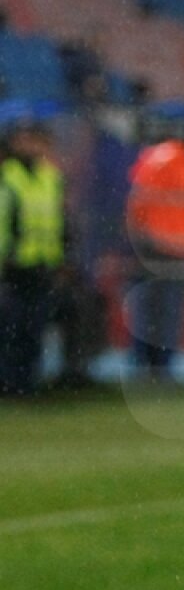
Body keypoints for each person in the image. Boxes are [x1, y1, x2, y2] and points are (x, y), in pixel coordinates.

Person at [125, 120, 184, 377]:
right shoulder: (170, 161)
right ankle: (154, 365)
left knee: (161, 308)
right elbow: (140, 204)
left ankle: (156, 365)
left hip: (172, 247)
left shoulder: (181, 163)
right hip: (160, 247)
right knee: (159, 309)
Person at [0, 117, 67, 395]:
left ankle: (27, 384)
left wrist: (63, 258)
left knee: (34, 326)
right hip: (11, 266)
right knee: (11, 327)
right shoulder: (8, 175)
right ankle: (9, 383)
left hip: (42, 264)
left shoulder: (50, 176)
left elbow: (60, 220)